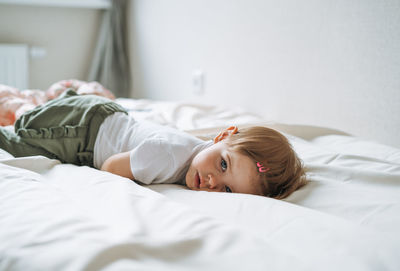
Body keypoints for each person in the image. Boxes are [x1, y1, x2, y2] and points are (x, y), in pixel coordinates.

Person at [0, 90, 307, 199]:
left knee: (34, 118)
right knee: (17, 143)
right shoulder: (167, 156)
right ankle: (16, 106)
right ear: (223, 136)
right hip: (80, 132)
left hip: (101, 116)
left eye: (228, 190)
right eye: (223, 164)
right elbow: (109, 168)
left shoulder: (196, 151)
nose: (213, 182)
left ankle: (23, 105)